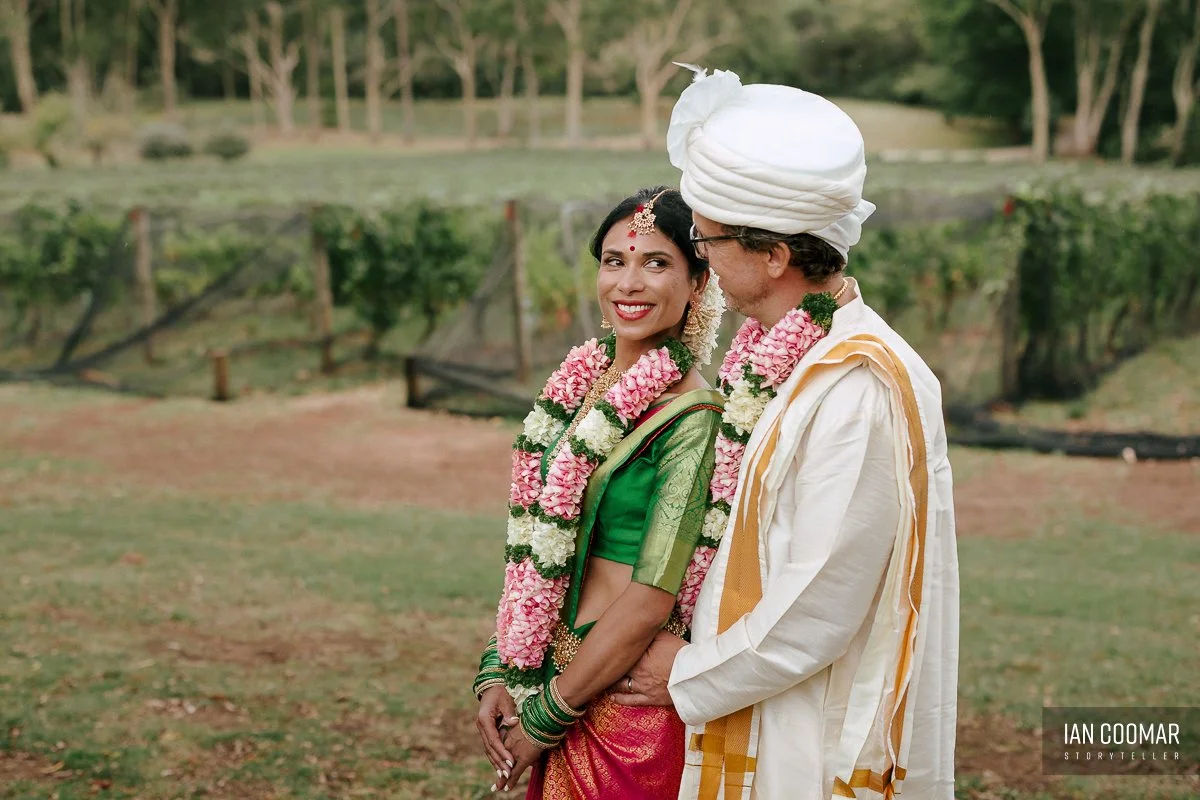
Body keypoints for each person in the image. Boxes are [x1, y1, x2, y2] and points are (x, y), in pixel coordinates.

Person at [609, 68, 960, 800]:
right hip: (755, 704)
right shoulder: (784, 354)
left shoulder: (857, 385)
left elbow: (820, 607)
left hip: (804, 737)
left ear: (775, 255)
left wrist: (686, 673)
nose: (698, 257)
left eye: (706, 241)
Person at [472, 187, 728, 798]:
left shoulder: (691, 417)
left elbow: (649, 597)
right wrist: (500, 667)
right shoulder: (582, 388)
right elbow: (540, 546)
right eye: (615, 261)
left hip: (620, 701)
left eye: (656, 263)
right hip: (550, 672)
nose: (629, 283)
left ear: (698, 284)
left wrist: (547, 715)